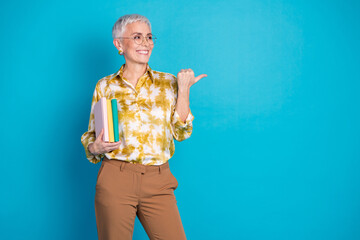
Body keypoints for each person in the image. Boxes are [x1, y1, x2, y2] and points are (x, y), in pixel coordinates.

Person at [81, 14, 207, 240]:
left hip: (158, 180)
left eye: (149, 37)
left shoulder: (169, 82)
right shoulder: (105, 85)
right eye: (137, 37)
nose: (146, 43)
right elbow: (91, 138)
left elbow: (182, 132)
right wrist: (96, 147)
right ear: (119, 44)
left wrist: (184, 90)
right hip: (115, 179)